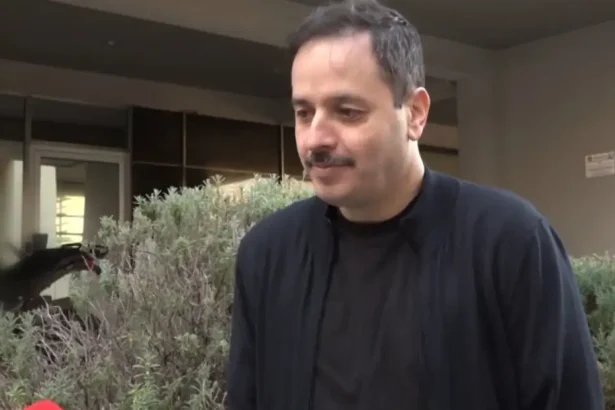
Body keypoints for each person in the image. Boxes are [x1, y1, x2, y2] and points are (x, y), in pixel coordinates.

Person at [226, 0, 604, 409]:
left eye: (347, 112)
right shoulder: (268, 254)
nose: (315, 138)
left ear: (416, 114)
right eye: (304, 113)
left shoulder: (510, 241)